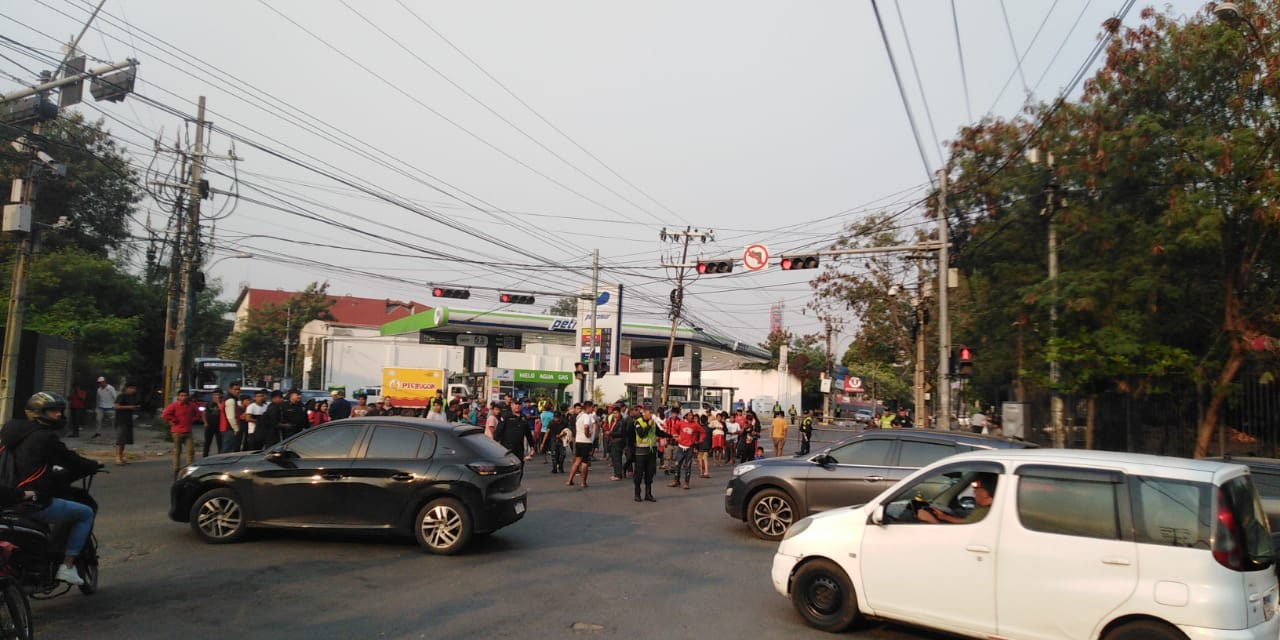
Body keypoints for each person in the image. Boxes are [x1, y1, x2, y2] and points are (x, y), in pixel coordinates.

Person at [0, 392, 101, 586]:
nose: (58, 415)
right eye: (53, 410)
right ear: (38, 413)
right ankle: (67, 566)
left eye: (60, 410)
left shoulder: (11, 433)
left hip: (7, 499)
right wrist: (92, 465)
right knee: (85, 512)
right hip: (30, 501)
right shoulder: (45, 438)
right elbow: (69, 460)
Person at [623, 406, 670, 502]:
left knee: (650, 474)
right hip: (640, 452)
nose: (651, 415)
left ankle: (648, 494)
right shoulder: (638, 422)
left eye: (652, 413)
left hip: (651, 451)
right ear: (644, 413)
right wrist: (648, 425)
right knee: (639, 474)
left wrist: (671, 436)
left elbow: (659, 432)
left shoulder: (653, 422)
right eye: (650, 413)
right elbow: (641, 434)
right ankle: (637, 494)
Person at [918, 474, 997, 524]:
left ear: (987, 490)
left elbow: (966, 532)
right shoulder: (984, 508)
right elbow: (967, 522)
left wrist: (932, 521)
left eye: (977, 487)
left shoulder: (990, 512)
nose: (974, 491)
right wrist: (944, 517)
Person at [162, 390, 201, 475]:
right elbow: (165, 415)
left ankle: (189, 469)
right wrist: (173, 420)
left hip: (188, 431)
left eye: (186, 395)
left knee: (190, 451)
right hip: (177, 432)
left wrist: (193, 420)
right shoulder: (174, 406)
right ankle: (176, 469)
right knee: (177, 451)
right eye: (182, 395)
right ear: (178, 397)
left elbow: (198, 414)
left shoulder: (191, 405)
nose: (184, 397)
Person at [667, 411, 704, 490]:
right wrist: (676, 437)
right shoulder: (680, 423)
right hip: (681, 447)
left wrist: (699, 441)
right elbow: (674, 429)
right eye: (690, 415)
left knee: (688, 466)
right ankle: (676, 480)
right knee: (677, 464)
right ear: (685, 416)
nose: (691, 417)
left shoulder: (695, 425)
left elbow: (702, 432)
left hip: (689, 448)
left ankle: (686, 482)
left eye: (692, 415)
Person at [566, 401, 596, 488]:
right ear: (588, 407)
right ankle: (583, 482)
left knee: (577, 461)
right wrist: (587, 434)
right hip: (585, 442)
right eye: (592, 407)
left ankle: (569, 480)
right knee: (585, 462)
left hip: (578, 441)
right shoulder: (587, 416)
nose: (593, 409)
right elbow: (586, 426)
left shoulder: (579, 416)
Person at [494, 399, 535, 463]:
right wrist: (497, 446)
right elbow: (498, 432)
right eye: (515, 404)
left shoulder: (523, 418)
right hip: (507, 447)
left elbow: (528, 433)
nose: (517, 406)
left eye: (519, 404)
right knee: (508, 466)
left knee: (519, 465)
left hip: (519, 448)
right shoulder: (506, 416)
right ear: (511, 405)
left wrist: (532, 447)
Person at [113, 383, 141, 464]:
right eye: (132, 388)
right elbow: (116, 406)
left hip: (129, 420)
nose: (134, 390)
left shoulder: (132, 397)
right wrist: (129, 407)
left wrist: (136, 407)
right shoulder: (121, 396)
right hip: (121, 420)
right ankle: (117, 457)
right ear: (127, 388)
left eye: (134, 388)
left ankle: (121, 456)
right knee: (120, 439)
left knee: (125, 440)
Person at [201, 389, 227, 458]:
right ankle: (205, 456)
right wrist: (205, 422)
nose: (215, 396)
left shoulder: (223, 403)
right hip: (209, 425)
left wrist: (218, 402)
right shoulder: (209, 403)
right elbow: (204, 413)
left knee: (220, 443)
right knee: (207, 442)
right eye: (214, 395)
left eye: (217, 395)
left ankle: (220, 456)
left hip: (219, 426)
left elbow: (222, 410)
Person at [222, 383, 244, 453]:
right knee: (227, 451)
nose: (237, 391)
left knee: (228, 449)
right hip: (230, 429)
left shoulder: (230, 399)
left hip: (228, 428)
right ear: (230, 390)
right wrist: (236, 429)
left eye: (238, 389)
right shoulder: (231, 400)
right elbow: (231, 417)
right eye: (235, 389)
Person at [696, 414, 712, 478]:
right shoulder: (709, 428)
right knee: (705, 459)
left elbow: (697, 437)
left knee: (700, 459)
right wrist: (710, 446)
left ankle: (701, 472)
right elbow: (711, 438)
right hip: (707, 445)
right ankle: (706, 472)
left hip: (700, 445)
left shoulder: (699, 428)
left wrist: (696, 446)